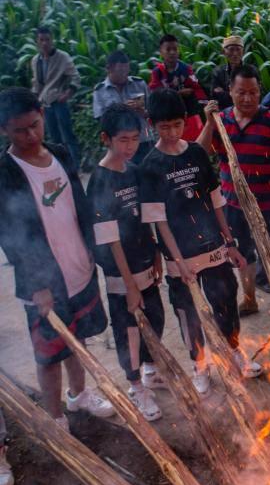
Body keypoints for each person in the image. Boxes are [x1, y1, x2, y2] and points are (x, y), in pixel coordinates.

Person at [0, 88, 114, 426]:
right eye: (20, 130)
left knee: (77, 339)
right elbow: (10, 237)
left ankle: (79, 395)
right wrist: (38, 285)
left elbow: (80, 206)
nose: (30, 135)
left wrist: (96, 252)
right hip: (43, 283)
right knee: (49, 353)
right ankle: (55, 417)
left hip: (78, 266)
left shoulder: (61, 154)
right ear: (4, 130)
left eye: (35, 125)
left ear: (43, 115)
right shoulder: (5, 173)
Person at [140, 90, 261, 393]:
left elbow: (216, 200)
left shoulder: (196, 153)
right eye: (164, 127)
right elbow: (159, 221)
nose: (172, 133)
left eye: (177, 125)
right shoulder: (150, 166)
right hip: (180, 256)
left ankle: (233, 351)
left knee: (225, 299)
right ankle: (200, 365)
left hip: (214, 247)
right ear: (152, 125)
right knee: (188, 312)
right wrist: (178, 261)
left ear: (186, 121)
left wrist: (229, 242)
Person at [87, 105, 166, 421]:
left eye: (134, 139)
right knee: (129, 330)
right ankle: (135, 387)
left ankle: (150, 371)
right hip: (122, 274)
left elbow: (145, 218)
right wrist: (130, 285)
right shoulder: (100, 180)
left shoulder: (134, 171)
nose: (130, 146)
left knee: (156, 318)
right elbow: (109, 238)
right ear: (106, 138)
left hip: (145, 261)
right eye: (123, 140)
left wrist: (156, 252)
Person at [198, 65, 270, 314]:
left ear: (260, 92)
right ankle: (249, 299)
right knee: (242, 253)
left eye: (253, 92)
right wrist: (209, 122)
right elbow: (199, 153)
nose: (247, 98)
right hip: (232, 204)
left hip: (266, 205)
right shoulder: (221, 120)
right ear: (230, 91)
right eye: (241, 92)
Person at [30, 26, 82, 169]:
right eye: (41, 40)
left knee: (67, 135)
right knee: (54, 138)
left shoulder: (62, 57)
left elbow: (75, 77)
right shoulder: (36, 60)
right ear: (37, 41)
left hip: (59, 101)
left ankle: (75, 167)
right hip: (45, 103)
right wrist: (35, 102)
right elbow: (36, 83)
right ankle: (60, 167)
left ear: (52, 40)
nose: (45, 43)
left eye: (47, 39)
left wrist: (68, 93)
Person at [92, 51, 154, 163]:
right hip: (119, 143)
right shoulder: (100, 91)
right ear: (109, 69)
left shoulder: (139, 84)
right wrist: (121, 109)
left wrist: (142, 111)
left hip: (143, 139)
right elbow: (101, 120)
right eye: (120, 71)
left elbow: (153, 112)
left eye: (126, 70)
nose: (124, 75)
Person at [148, 34, 205, 118]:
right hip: (166, 113)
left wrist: (191, 91)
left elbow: (197, 89)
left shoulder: (186, 69)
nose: (172, 52)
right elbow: (155, 95)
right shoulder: (157, 72)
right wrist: (177, 93)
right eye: (168, 50)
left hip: (187, 110)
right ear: (161, 52)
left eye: (175, 49)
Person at [209, 35, 244, 110]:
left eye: (238, 49)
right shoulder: (218, 72)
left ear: (243, 52)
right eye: (231, 49)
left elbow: (254, 95)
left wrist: (224, 93)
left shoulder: (250, 71)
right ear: (224, 52)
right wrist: (239, 94)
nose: (235, 53)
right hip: (224, 111)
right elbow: (214, 96)